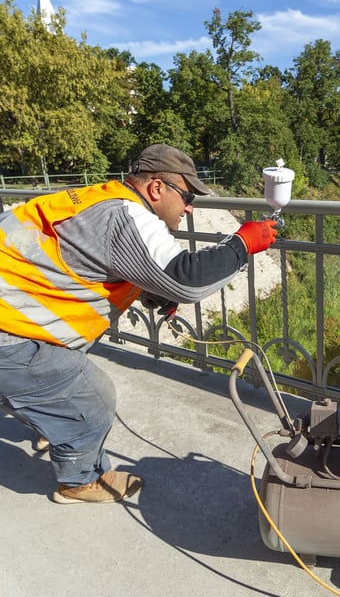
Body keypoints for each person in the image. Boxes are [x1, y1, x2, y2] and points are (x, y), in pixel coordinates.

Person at [0, 143, 278, 504]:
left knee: (54, 388)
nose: (190, 206)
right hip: (11, 337)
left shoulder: (93, 198)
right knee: (92, 398)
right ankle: (80, 480)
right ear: (157, 188)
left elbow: (86, 263)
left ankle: (45, 415)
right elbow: (186, 278)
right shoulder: (127, 215)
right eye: (188, 195)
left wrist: (151, 293)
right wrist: (241, 244)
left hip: (12, 321)